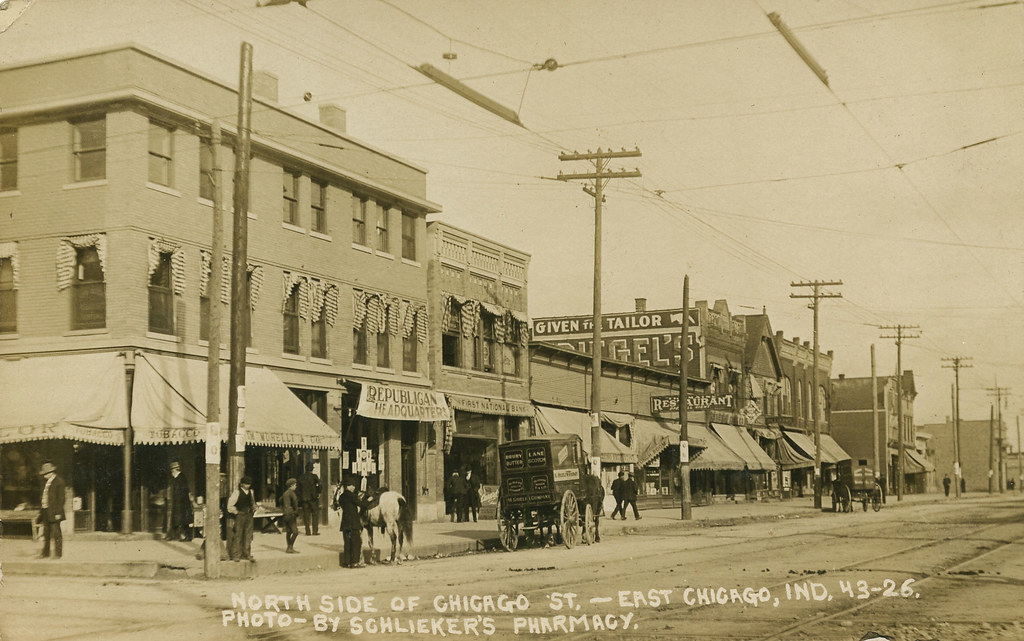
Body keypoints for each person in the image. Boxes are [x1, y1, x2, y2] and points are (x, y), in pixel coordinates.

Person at [37, 461, 65, 559]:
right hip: (45, 510)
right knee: (46, 533)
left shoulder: (59, 482)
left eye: (46, 474)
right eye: (44, 474)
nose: (44, 476)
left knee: (56, 533)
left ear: (51, 472)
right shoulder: (46, 482)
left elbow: (61, 499)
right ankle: (45, 553)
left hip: (54, 512)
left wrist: (58, 513)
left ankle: (58, 554)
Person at [226, 476, 256, 562]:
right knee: (238, 534)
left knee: (248, 535)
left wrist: (254, 509)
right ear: (241, 484)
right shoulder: (237, 492)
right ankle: (236, 555)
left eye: (249, 484)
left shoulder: (251, 492)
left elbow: (252, 502)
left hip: (249, 515)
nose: (247, 486)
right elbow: (230, 505)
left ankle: (247, 554)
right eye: (246, 484)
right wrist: (236, 512)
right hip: (240, 515)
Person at [337, 477, 365, 568]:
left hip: (345, 522)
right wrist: (369, 499)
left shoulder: (341, 497)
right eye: (352, 485)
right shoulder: (352, 496)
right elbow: (362, 504)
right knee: (356, 543)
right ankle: (354, 562)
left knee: (347, 543)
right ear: (348, 486)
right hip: (353, 523)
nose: (353, 487)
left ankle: (347, 562)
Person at [166, 461, 194, 541]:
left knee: (183, 521)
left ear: (174, 470)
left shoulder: (181, 478)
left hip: (182, 503)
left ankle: (187, 537)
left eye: (172, 471)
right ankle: (171, 536)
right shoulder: (178, 478)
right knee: (177, 520)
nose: (171, 473)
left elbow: (182, 492)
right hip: (179, 503)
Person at [298, 463, 321, 536]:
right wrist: (318, 492)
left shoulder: (301, 477)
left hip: (304, 499)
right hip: (313, 498)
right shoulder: (314, 477)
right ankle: (315, 531)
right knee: (315, 514)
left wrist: (300, 496)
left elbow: (298, 488)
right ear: (312, 469)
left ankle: (307, 531)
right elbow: (320, 485)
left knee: (306, 515)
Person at [281, 477, 300, 554]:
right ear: (291, 485)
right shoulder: (292, 493)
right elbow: (295, 503)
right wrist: (296, 512)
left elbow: (280, 500)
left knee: (289, 531)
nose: (296, 486)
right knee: (295, 532)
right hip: (291, 513)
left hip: (285, 513)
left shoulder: (285, 493)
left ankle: (288, 547)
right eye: (295, 485)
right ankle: (290, 546)